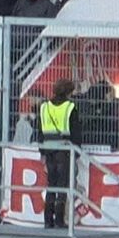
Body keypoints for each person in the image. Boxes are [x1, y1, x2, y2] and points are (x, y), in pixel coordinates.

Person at [38, 78, 84, 229]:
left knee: (51, 185)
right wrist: (77, 151)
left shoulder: (44, 107)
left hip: (48, 149)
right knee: (62, 186)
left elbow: (40, 130)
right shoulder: (70, 107)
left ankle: (47, 220)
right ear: (68, 92)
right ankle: (59, 220)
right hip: (64, 150)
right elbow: (75, 131)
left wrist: (42, 152)